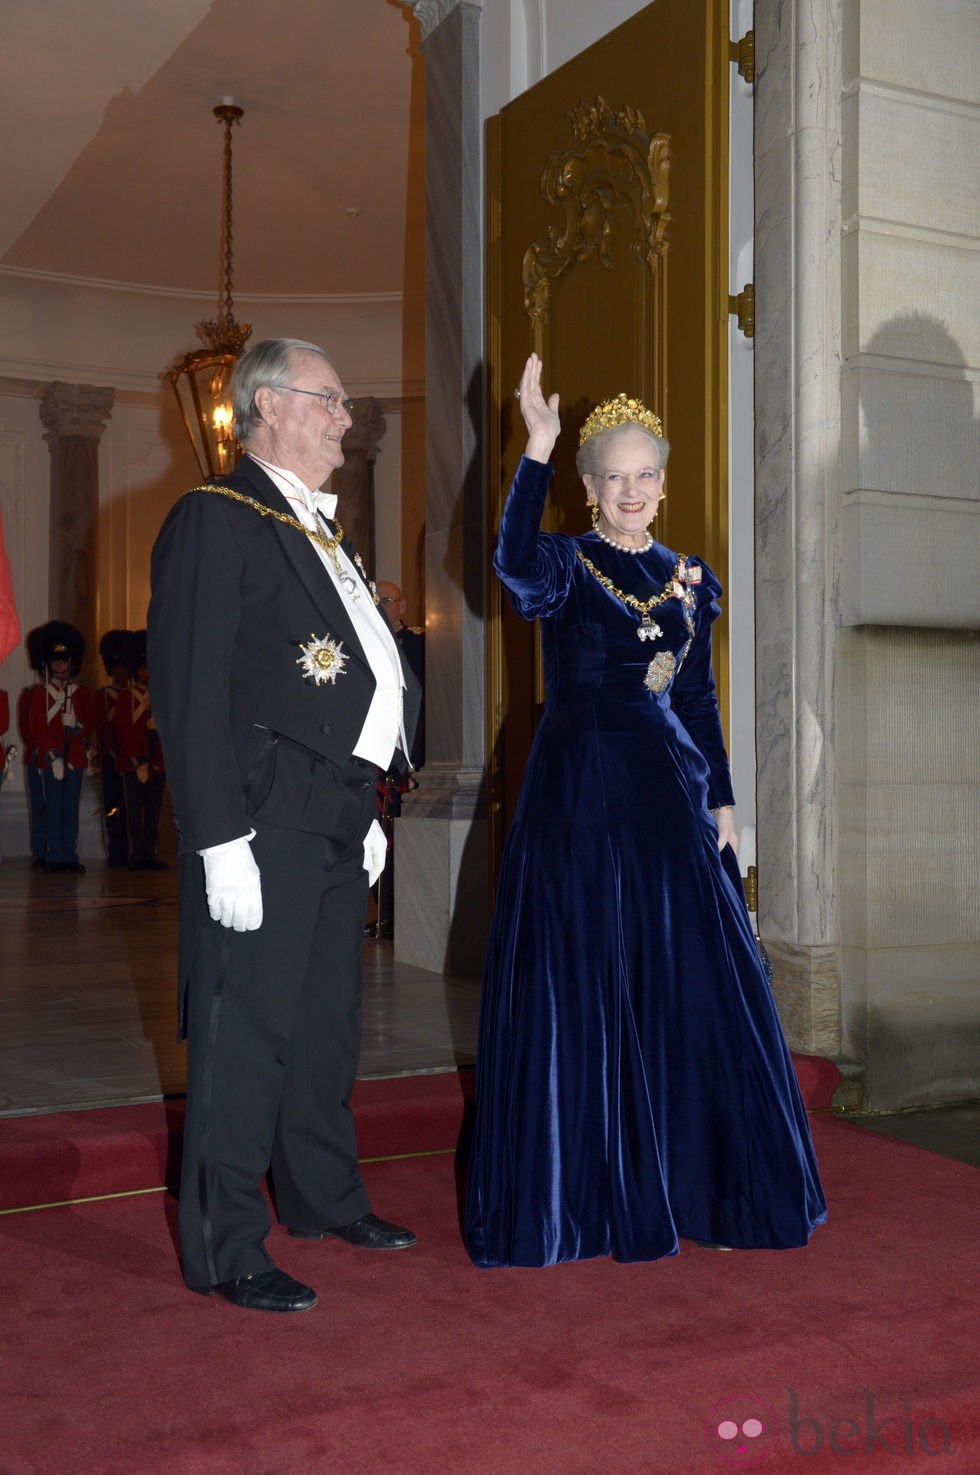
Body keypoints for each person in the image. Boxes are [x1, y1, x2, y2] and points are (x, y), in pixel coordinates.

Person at [464, 354, 827, 1268]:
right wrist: (537, 448)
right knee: (582, 980)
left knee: (692, 980)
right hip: (578, 797)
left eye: (645, 475)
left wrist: (725, 799)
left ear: (663, 484)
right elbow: (509, 564)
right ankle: (582, 1196)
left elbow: (699, 699)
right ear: (589, 488)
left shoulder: (691, 579)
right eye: (612, 477)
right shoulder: (563, 562)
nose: (631, 491)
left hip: (668, 797)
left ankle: (703, 1182)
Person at [148, 337, 421, 1314]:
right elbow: (186, 685)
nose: (347, 419)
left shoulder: (322, 534)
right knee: (244, 1029)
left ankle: (322, 1194)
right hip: (263, 814)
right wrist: (216, 834)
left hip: (340, 808)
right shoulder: (217, 518)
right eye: (330, 401)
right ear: (265, 404)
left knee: (322, 1024)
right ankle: (226, 1245)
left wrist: (374, 787)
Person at [22, 621, 94, 874]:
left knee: (70, 809)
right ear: (48, 664)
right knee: (51, 808)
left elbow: (90, 727)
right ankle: (53, 854)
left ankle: (68, 854)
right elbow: (36, 728)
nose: (60, 666)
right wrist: (53, 757)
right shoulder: (40, 695)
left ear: (71, 663)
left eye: (64, 662)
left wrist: (76, 725)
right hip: (50, 761)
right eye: (56, 662)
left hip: (74, 759)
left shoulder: (81, 693)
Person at [114, 631, 167, 870]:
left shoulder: (162, 697)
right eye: (142, 668)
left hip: (156, 763)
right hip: (133, 764)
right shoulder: (126, 698)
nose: (145, 672)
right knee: (134, 812)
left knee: (153, 812)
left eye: (148, 668)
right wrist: (138, 761)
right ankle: (137, 853)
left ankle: (150, 852)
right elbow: (123, 732)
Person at [94, 630, 133, 867]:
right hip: (111, 758)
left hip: (130, 758)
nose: (119, 671)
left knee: (130, 807)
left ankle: (130, 849)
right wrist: (112, 750)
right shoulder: (102, 696)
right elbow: (100, 724)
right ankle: (115, 849)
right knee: (113, 806)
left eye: (123, 666)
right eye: (115, 666)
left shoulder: (135, 696)